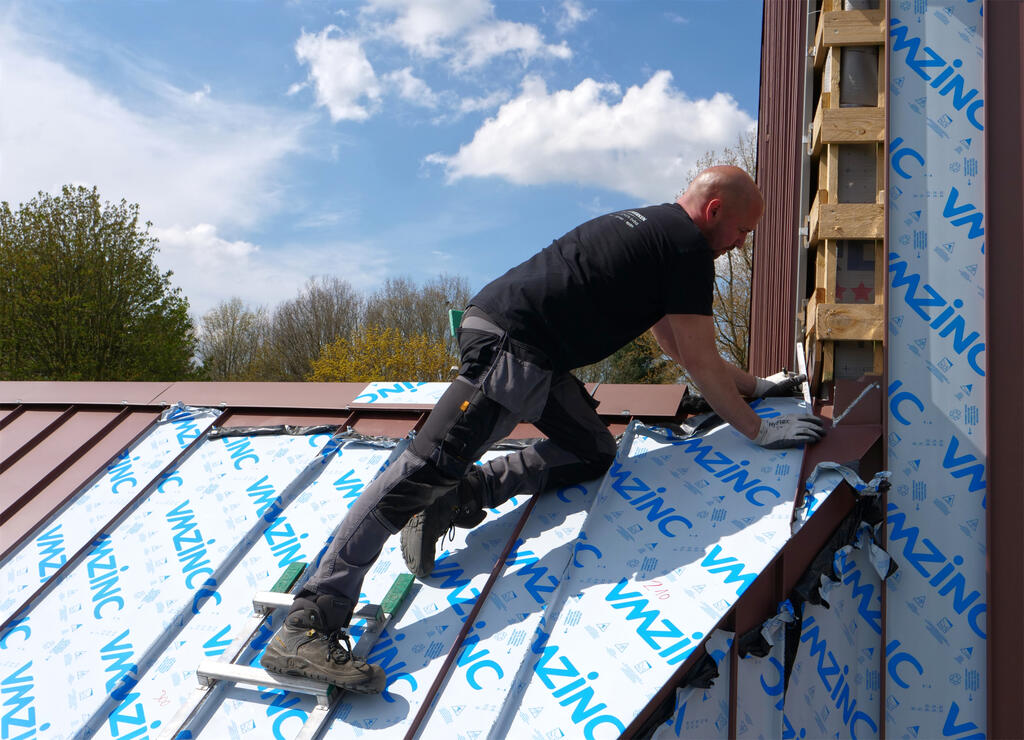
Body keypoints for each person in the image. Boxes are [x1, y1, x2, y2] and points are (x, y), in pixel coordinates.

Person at [259, 166, 825, 693]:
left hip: (536, 357)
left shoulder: (659, 235)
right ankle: (309, 621)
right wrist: (758, 431)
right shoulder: (684, 247)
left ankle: (463, 494)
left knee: (592, 450)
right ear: (715, 210)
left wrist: (758, 388)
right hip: (512, 349)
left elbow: (683, 349)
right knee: (417, 472)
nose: (740, 246)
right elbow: (701, 362)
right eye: (742, 232)